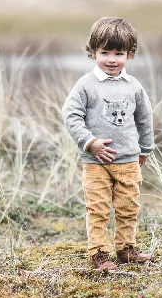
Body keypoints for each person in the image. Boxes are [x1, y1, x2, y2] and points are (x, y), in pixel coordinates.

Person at [62, 17, 156, 271]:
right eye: (105, 52)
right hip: (95, 163)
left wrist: (145, 149)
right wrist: (89, 142)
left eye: (119, 53)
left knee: (128, 207)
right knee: (99, 209)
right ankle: (100, 254)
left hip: (128, 161)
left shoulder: (134, 87)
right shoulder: (85, 85)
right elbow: (71, 115)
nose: (112, 59)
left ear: (130, 54)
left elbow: (145, 119)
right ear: (92, 52)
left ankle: (127, 249)